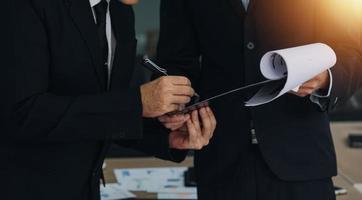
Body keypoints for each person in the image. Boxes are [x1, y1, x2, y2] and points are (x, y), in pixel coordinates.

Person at [6, 0, 216, 200]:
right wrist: (137, 103)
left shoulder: (120, 13)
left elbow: (104, 111)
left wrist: (166, 138)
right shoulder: (25, 6)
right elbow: (21, 113)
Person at [157, 0, 362, 199]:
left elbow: (353, 51)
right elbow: (175, 61)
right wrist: (176, 103)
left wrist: (328, 77)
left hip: (301, 158)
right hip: (221, 159)